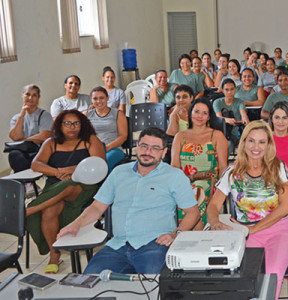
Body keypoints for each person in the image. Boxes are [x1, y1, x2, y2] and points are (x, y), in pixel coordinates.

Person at [58, 127, 200, 274]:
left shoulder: (175, 176)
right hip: (117, 246)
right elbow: (97, 207)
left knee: (153, 288)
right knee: (90, 282)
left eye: (155, 148)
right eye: (144, 146)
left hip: (155, 245)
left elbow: (193, 213)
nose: (147, 152)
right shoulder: (118, 173)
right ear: (137, 147)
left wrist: (175, 234)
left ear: (164, 152)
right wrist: (77, 223)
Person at [206, 121, 288, 298]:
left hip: (279, 230)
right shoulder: (232, 172)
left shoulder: (278, 167)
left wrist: (254, 228)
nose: (256, 147)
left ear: (268, 144)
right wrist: (214, 221)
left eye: (262, 142)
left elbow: (286, 207)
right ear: (244, 142)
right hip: (246, 232)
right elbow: (214, 205)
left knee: (272, 273)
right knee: (244, 276)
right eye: (251, 141)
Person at [26, 109, 105, 274]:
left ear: (82, 125)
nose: (72, 127)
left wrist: (71, 170)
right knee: (49, 210)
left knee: (68, 185)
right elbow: (36, 164)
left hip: (83, 186)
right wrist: (56, 172)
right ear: (60, 125)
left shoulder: (90, 140)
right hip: (54, 187)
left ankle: (27, 211)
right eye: (67, 123)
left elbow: (99, 164)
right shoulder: (51, 142)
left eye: (76, 123)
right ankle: (54, 255)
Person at [171, 99, 228, 229]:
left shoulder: (217, 136)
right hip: (184, 182)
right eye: (197, 112)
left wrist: (220, 190)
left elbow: (223, 167)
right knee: (189, 190)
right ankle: (193, 228)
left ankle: (190, 227)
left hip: (210, 183)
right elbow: (174, 165)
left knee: (198, 188)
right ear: (191, 113)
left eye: (204, 113)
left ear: (209, 116)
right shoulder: (180, 136)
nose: (200, 116)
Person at [9, 84, 53, 173]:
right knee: (14, 155)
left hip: (39, 150)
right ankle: (27, 183)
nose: (30, 98)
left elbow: (44, 136)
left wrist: (23, 140)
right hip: (22, 152)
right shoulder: (16, 118)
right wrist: (21, 115)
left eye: (34, 95)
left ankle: (27, 182)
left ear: (38, 98)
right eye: (27, 94)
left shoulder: (44, 115)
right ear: (23, 96)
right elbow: (15, 137)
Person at [86, 87, 127, 172]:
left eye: (101, 98)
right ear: (91, 100)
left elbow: (123, 136)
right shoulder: (87, 114)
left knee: (103, 164)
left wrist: (107, 147)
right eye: (95, 98)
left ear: (107, 98)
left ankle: (108, 185)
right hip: (93, 150)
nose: (98, 101)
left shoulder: (118, 113)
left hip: (113, 149)